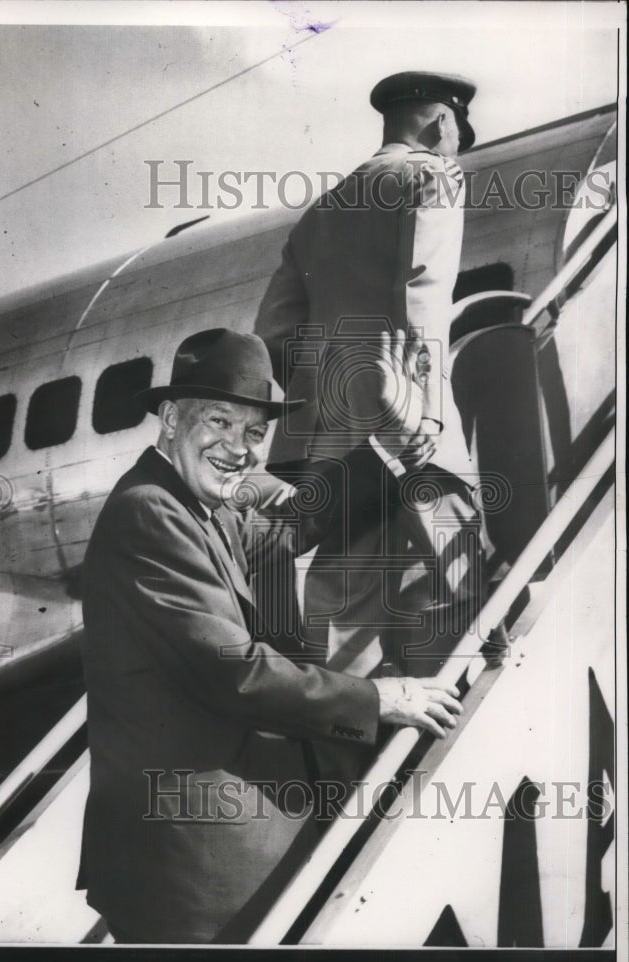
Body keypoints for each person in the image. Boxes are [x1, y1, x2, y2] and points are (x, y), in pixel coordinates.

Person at [77, 327, 463, 944]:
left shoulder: (198, 505)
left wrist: (387, 449)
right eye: (220, 422)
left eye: (254, 433)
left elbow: (291, 524)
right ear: (171, 419)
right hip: (196, 871)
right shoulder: (149, 511)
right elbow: (235, 670)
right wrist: (381, 700)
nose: (239, 448)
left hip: (203, 851)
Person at [254, 71, 504, 679]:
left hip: (337, 449)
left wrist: (330, 403)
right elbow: (422, 294)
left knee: (346, 615)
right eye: (456, 133)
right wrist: (423, 412)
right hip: (409, 427)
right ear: (442, 122)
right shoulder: (434, 175)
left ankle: (350, 748)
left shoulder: (320, 211)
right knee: (459, 588)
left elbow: (274, 336)